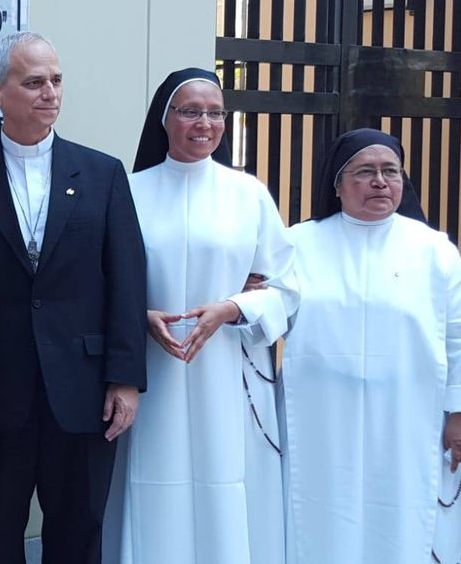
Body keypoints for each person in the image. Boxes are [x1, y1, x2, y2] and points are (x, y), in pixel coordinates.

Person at [0, 32, 148, 563]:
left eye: (56, 80)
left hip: (85, 389)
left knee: (79, 530)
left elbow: (126, 281)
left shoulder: (101, 174)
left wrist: (126, 378)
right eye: (34, 82)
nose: (50, 92)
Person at [280, 128, 461, 563]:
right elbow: (265, 311)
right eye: (365, 172)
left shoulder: (433, 249)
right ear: (338, 185)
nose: (381, 181)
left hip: (412, 419)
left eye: (391, 171)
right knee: (322, 514)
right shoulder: (297, 244)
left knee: (406, 517)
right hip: (321, 421)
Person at [103, 68, 298, 563]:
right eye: (190, 111)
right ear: (165, 119)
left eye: (214, 113)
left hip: (227, 374)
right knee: (151, 482)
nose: (204, 123)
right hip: (151, 370)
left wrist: (233, 308)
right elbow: (100, 280)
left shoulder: (247, 193)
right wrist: (141, 314)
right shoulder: (128, 190)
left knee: (226, 483)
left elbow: (287, 285)